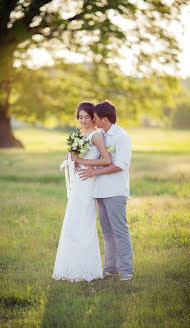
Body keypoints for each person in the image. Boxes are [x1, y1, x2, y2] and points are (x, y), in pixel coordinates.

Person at [52, 101, 111, 282]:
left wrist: (82, 161)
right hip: (78, 182)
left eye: (87, 117)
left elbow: (107, 160)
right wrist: (73, 159)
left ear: (93, 117)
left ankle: (87, 270)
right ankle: (69, 267)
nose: (84, 120)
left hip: (87, 182)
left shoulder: (96, 136)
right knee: (72, 221)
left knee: (84, 222)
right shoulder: (81, 134)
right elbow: (78, 158)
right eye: (81, 117)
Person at [77, 100, 133, 281]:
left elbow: (121, 165)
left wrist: (93, 171)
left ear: (105, 119)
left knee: (120, 231)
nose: (92, 119)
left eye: (95, 117)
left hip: (115, 190)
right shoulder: (100, 133)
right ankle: (110, 268)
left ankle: (126, 271)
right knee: (107, 233)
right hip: (99, 190)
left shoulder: (122, 136)